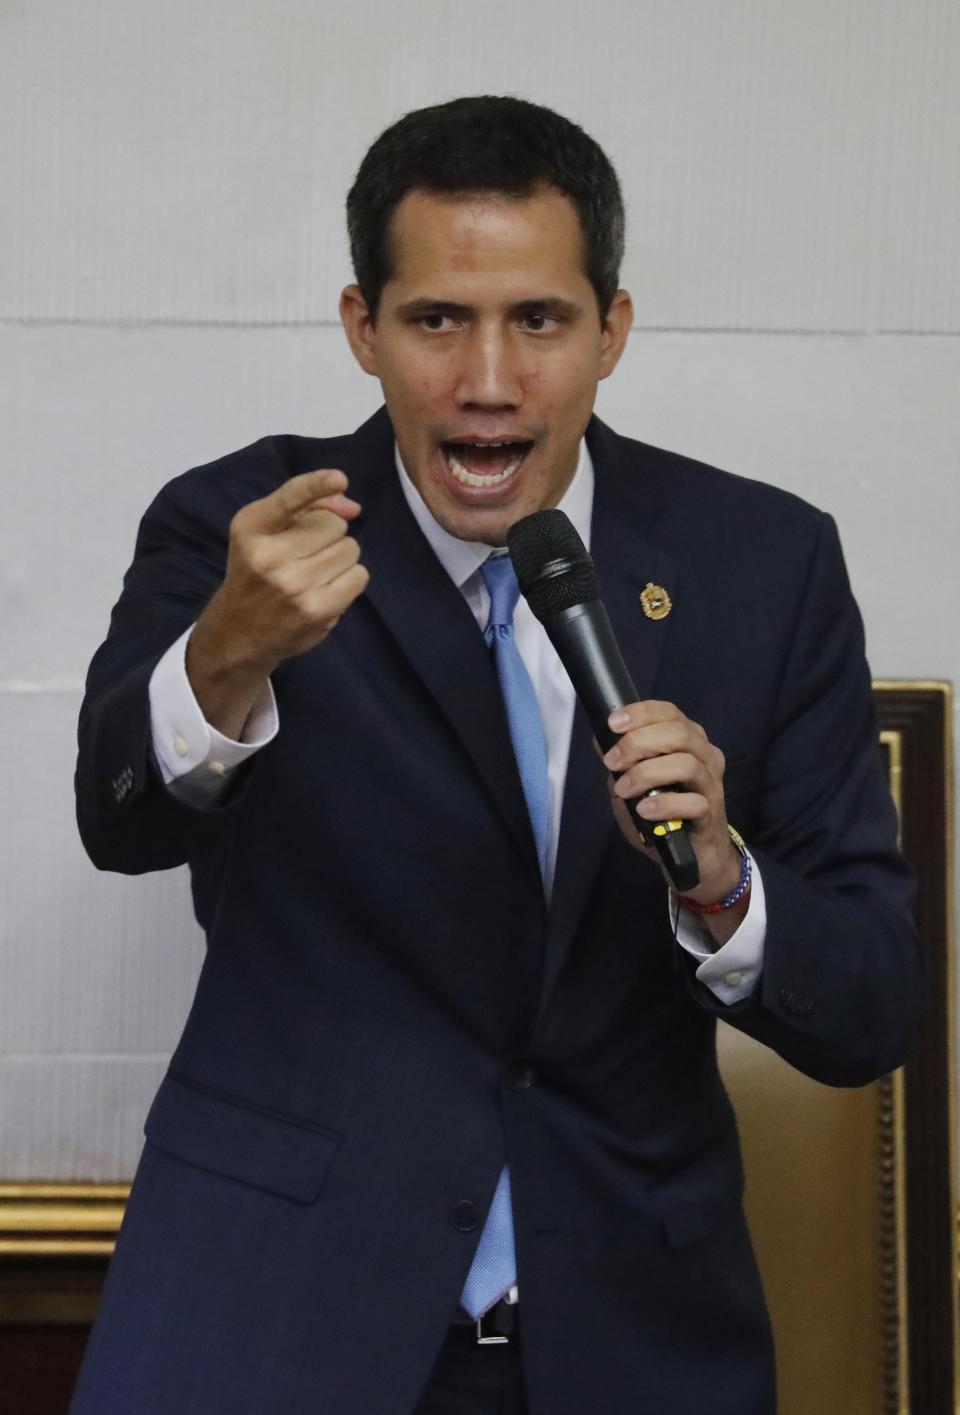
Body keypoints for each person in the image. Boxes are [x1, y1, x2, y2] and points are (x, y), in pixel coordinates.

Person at [70, 95, 920, 1415]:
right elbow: (118, 817)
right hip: (276, 1318)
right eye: (436, 321)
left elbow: (870, 1004)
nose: (487, 381)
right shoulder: (251, 530)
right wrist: (223, 654)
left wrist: (723, 888)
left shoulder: (765, 563)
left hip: (632, 1333)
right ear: (364, 328)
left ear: (610, 331)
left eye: (538, 319)